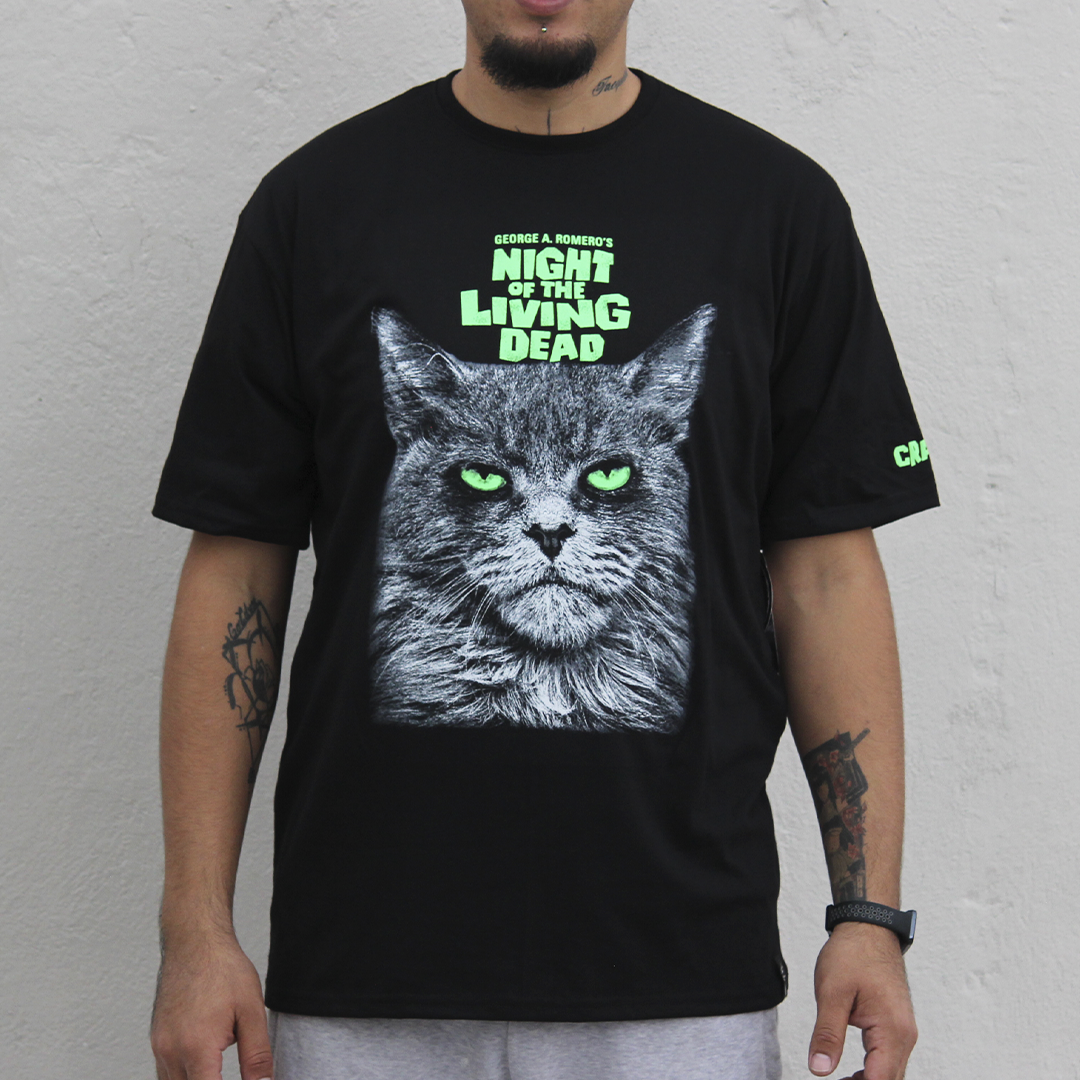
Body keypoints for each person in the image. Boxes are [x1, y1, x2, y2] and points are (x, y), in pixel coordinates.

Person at [149, 2, 937, 1078]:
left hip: (681, 985)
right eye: (491, 481)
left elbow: (828, 577)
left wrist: (870, 917)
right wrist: (195, 933)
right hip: (367, 977)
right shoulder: (316, 205)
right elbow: (236, 567)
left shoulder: (775, 207)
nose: (554, 522)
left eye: (602, 480)